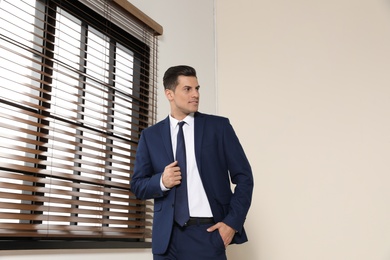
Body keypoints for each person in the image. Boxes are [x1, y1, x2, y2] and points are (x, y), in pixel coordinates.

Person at [130, 65, 254, 260]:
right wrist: (162, 181)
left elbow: (245, 178)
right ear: (169, 94)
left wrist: (231, 223)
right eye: (187, 89)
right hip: (166, 240)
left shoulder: (218, 128)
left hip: (207, 235)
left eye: (197, 88)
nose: (195, 94)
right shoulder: (150, 136)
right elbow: (137, 185)